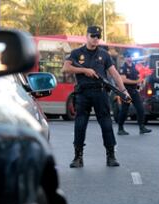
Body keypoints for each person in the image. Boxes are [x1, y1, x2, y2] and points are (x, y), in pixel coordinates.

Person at [62, 26, 130, 168]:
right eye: (93, 36)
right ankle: (78, 157)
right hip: (83, 93)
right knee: (80, 125)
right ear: (86, 36)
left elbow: (114, 74)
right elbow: (66, 68)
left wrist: (123, 90)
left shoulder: (104, 54)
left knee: (106, 124)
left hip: (100, 92)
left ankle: (111, 156)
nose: (95, 39)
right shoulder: (77, 53)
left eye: (98, 36)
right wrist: (84, 70)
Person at [117, 53, 152, 135]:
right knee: (124, 110)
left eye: (131, 57)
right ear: (125, 58)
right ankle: (120, 128)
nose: (130, 58)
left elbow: (139, 77)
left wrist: (141, 79)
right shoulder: (123, 68)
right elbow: (123, 80)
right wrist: (136, 81)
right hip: (126, 91)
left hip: (134, 91)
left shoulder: (135, 67)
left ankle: (141, 127)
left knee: (140, 108)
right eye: (128, 57)